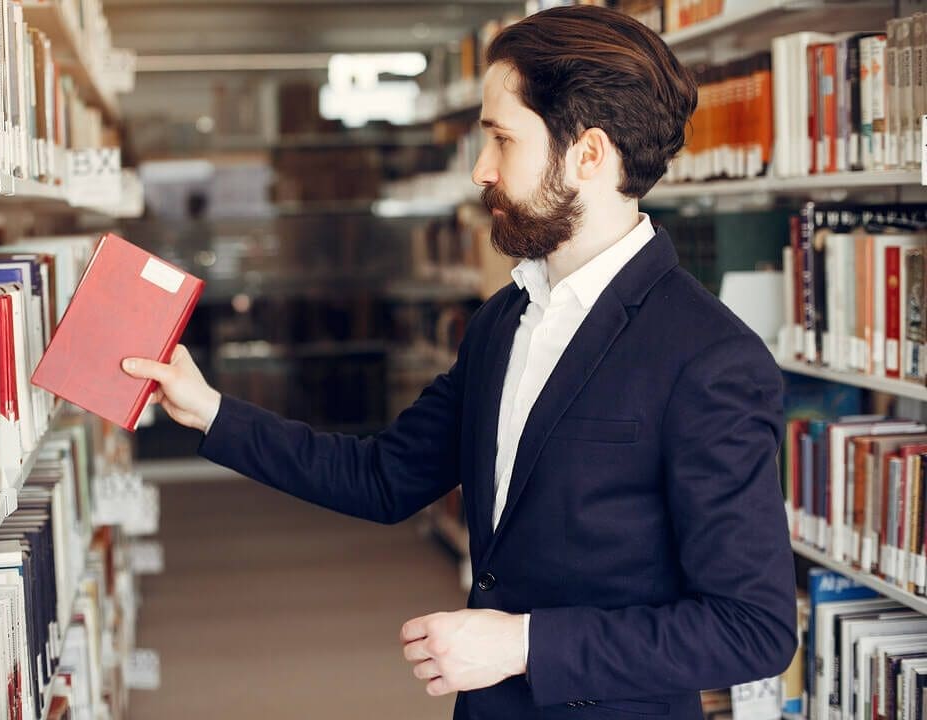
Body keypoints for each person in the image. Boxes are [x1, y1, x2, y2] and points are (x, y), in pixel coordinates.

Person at [122, 6, 797, 718]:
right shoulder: (501, 323)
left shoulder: (709, 358)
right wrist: (210, 412)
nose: (481, 170)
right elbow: (383, 477)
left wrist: (525, 646)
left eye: (502, 140)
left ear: (589, 155)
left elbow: (752, 627)